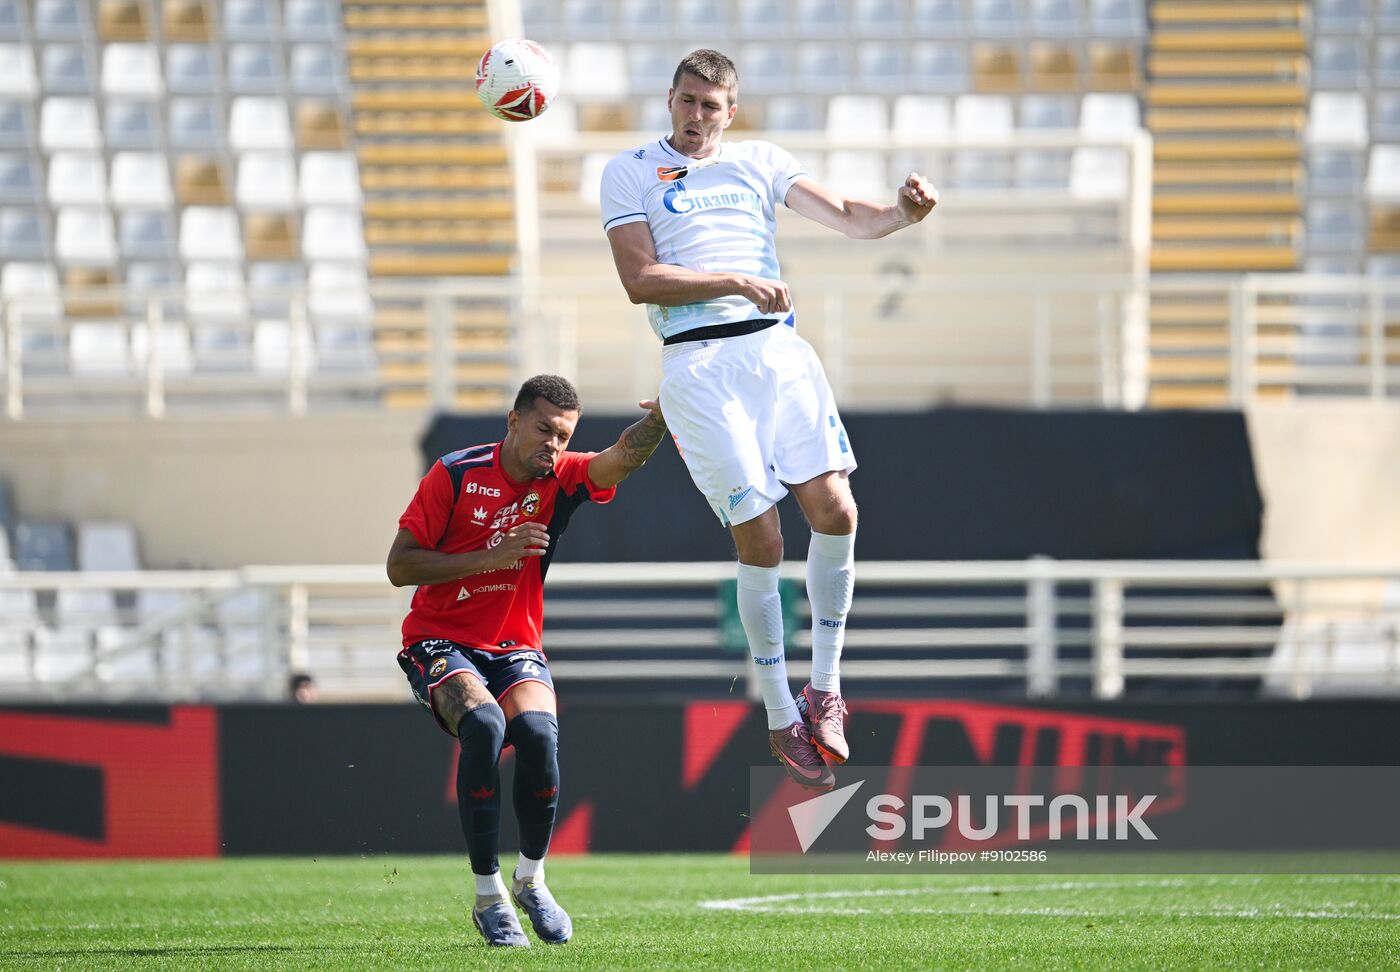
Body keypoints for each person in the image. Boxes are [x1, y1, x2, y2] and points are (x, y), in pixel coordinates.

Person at [600, 49, 938, 791]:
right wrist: (737, 280)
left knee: (837, 510)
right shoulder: (629, 171)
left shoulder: (758, 161)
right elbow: (639, 279)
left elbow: (847, 215)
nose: (696, 116)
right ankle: (781, 712)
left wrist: (901, 215)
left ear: (731, 110)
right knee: (763, 539)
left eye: (710, 105)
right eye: (686, 101)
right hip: (699, 365)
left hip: (778, 353)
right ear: (669, 99)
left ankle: (825, 690)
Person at [386, 375, 666, 948]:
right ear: (513, 422)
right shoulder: (454, 474)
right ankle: (488, 895)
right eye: (544, 430)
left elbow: (619, 459)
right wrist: (490, 556)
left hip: (514, 646)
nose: (554, 446)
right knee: (485, 725)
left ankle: (531, 880)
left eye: (564, 436)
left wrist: (661, 419)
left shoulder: (559, 477)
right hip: (438, 638)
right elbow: (400, 566)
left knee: (538, 734)